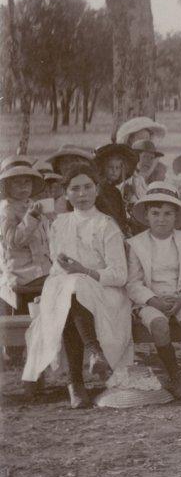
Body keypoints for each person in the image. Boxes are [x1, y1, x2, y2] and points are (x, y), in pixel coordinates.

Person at [22, 164, 133, 409]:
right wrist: (64, 272)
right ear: (66, 194)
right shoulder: (59, 224)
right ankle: (93, 354)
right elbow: (56, 268)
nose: (81, 194)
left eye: (87, 188)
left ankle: (76, 382)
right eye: (75, 189)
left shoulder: (107, 225)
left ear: (96, 190)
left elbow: (120, 275)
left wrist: (85, 271)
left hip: (105, 292)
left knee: (74, 289)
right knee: (70, 291)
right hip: (67, 290)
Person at [125, 182, 181, 400]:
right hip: (150, 299)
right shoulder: (136, 244)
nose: (161, 219)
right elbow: (133, 283)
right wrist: (154, 300)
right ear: (146, 216)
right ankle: (175, 377)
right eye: (155, 213)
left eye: (167, 214)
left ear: (176, 217)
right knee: (159, 325)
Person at [0, 162, 50, 313]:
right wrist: (32, 217)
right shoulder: (6, 210)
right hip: (21, 271)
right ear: (7, 186)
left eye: (27, 182)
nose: (23, 186)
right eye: (17, 182)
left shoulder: (32, 204)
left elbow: (44, 238)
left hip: (40, 268)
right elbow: (14, 241)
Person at [93, 143, 136, 236]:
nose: (114, 171)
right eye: (110, 167)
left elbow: (121, 215)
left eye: (117, 168)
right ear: (103, 168)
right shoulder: (100, 189)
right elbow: (110, 214)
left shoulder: (115, 191)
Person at [121, 139, 165, 208]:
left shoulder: (140, 179)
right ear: (135, 157)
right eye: (145, 157)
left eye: (152, 158)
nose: (149, 161)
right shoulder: (126, 179)